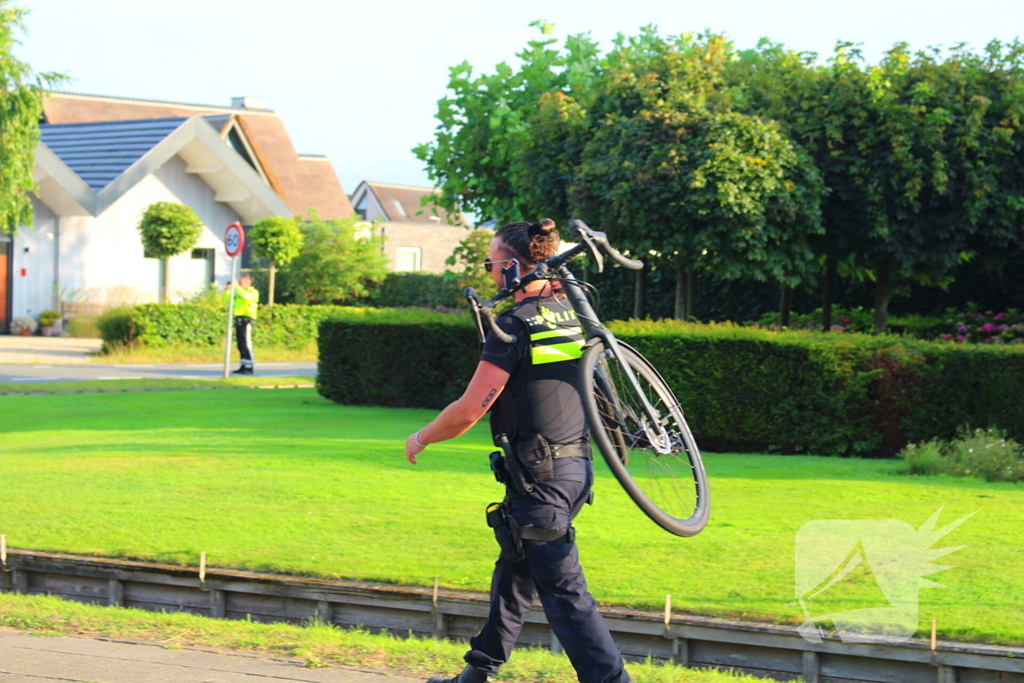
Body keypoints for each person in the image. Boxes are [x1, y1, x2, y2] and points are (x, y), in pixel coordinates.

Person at [406, 219, 632, 683]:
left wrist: (422, 437)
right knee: (515, 565)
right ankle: (478, 672)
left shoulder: (514, 325)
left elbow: (470, 409)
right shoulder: (571, 313)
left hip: (541, 481)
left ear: (511, 266)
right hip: (572, 472)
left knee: (566, 596)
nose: (490, 274)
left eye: (492, 264)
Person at [226, 274, 259, 375]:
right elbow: (228, 301)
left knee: (246, 344)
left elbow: (247, 298)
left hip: (247, 320)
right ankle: (243, 365)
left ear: (248, 282)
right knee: (240, 344)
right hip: (239, 319)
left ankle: (249, 367)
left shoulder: (252, 292)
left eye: (242, 281)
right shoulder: (239, 291)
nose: (240, 283)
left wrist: (236, 287)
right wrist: (228, 290)